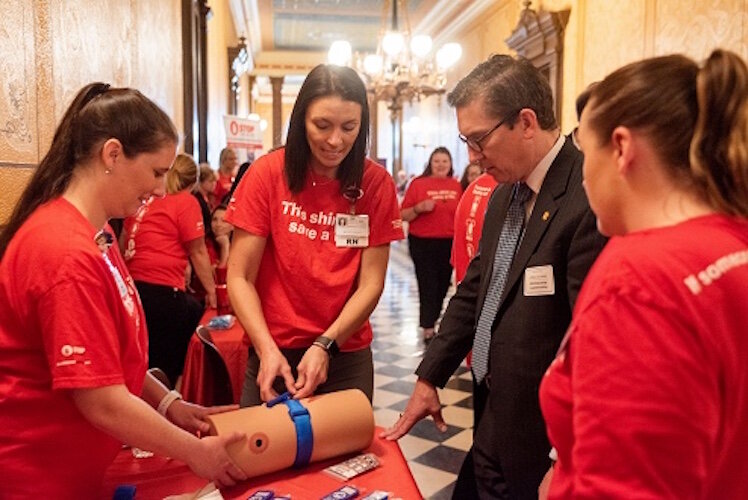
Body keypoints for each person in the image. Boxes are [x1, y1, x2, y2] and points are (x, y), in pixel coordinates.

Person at [0, 83, 246, 497]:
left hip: (78, 469)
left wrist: (171, 404)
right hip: (39, 474)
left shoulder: (100, 237)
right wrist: (195, 451)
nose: (158, 189)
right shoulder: (63, 251)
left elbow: (113, 360)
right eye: (155, 172)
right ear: (112, 154)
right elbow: (100, 399)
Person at [382, 55, 607, 499]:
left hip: (544, 433)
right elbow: (475, 293)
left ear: (526, 122)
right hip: (492, 411)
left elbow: (593, 340)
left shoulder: (588, 195)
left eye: (479, 139)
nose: (473, 156)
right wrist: (430, 376)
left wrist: (568, 455)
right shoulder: (504, 195)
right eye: (466, 140)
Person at [539, 50, 748, 499]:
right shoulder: (735, 238)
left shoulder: (638, 279)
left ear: (620, 147)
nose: (582, 178)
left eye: (584, 151)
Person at [226, 64, 403, 407]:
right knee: (264, 456)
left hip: (344, 352)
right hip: (272, 350)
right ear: (300, 120)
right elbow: (239, 276)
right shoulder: (267, 174)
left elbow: (371, 284)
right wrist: (265, 349)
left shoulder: (375, 184)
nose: (335, 140)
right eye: (322, 125)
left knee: (344, 458)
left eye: (349, 127)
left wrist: (326, 344)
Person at [122, 153, 216, 386]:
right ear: (193, 182)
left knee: (144, 364)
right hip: (164, 294)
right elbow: (198, 252)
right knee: (171, 366)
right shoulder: (185, 202)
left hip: (133, 290)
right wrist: (212, 292)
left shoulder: (146, 202)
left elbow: (125, 242)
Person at [400, 147, 463, 340]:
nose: (441, 165)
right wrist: (419, 208)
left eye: (445, 161)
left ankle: (433, 319)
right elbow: (402, 215)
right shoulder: (418, 184)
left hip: (448, 242)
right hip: (422, 242)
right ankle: (428, 326)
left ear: (450, 164)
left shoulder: (456, 185)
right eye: (437, 161)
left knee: (444, 284)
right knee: (427, 283)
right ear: (430, 163)